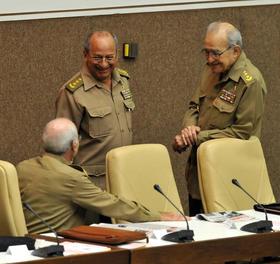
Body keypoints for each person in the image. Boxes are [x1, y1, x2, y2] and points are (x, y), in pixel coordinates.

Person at [17, 118, 184, 234]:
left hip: (25, 246)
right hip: (61, 250)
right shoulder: (71, 177)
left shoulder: (23, 168)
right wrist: (159, 216)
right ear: (75, 145)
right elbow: (113, 205)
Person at [173, 21, 267, 216]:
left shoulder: (250, 82)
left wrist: (197, 138)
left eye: (215, 53)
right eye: (206, 52)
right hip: (199, 174)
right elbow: (194, 106)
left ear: (235, 51)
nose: (209, 58)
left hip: (229, 177)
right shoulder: (211, 69)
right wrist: (188, 129)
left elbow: (241, 133)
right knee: (198, 238)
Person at [55, 31, 134, 189]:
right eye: (97, 57)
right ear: (85, 54)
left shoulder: (123, 81)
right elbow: (62, 148)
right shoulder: (73, 92)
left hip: (124, 175)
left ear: (116, 55)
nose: (104, 64)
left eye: (109, 57)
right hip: (92, 185)